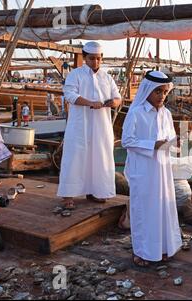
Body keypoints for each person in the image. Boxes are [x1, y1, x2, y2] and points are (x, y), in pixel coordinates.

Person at [122, 70, 182, 266]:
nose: (162, 96)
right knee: (143, 210)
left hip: (162, 169)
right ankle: (141, 252)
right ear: (147, 91)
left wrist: (175, 144)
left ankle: (162, 248)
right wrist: (153, 145)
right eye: (158, 92)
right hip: (143, 169)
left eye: (165, 92)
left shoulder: (166, 113)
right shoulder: (136, 112)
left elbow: (170, 138)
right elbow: (127, 141)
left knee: (162, 207)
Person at [57, 41, 122, 210]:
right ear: (85, 58)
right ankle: (68, 195)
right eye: (92, 58)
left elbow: (118, 98)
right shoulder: (75, 74)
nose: (96, 62)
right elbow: (69, 94)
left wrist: (112, 102)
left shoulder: (107, 77)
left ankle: (96, 191)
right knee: (75, 157)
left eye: (99, 59)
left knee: (100, 157)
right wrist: (90, 103)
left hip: (101, 125)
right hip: (80, 124)